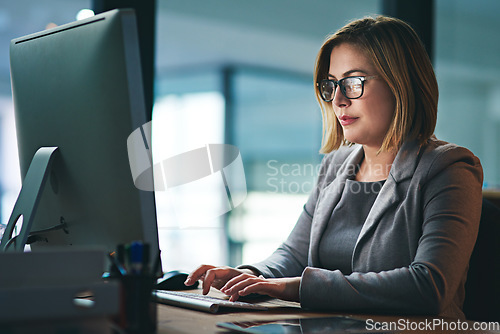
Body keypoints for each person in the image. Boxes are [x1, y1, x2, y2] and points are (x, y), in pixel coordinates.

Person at [184, 15, 483, 320]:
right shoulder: (335, 165)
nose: (337, 99)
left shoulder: (450, 168)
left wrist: (296, 288)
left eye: (353, 83)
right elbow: (294, 254)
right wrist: (249, 275)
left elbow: (428, 286)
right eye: (332, 85)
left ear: (401, 84)